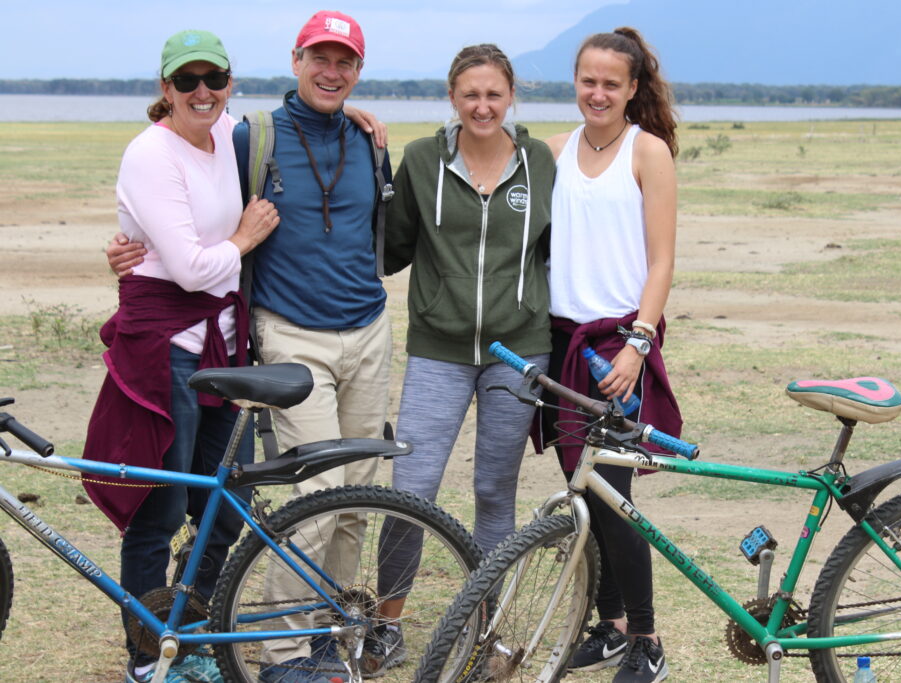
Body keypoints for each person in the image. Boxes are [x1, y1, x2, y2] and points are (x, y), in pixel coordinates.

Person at [107, 11, 392, 683]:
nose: (331, 71)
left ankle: (312, 634)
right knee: (292, 500)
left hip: (357, 334)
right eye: (318, 58)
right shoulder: (247, 136)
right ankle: (274, 656)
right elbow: (171, 226)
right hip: (277, 337)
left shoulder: (368, 139)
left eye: (344, 61)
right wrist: (123, 248)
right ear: (295, 60)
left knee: (337, 499)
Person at [82, 29, 280, 683]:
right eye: (186, 81)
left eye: (213, 79)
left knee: (225, 507)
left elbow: (301, 109)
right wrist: (246, 238)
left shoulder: (227, 134)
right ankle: (148, 656)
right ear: (165, 88)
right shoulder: (150, 155)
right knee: (159, 508)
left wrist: (365, 116)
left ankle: (190, 628)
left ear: (229, 84)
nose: (202, 92)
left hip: (220, 346)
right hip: (164, 350)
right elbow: (195, 270)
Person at [372, 43, 555, 675]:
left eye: (494, 94)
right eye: (470, 94)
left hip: (518, 349)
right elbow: (390, 248)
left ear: (511, 98)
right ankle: (385, 625)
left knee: (493, 489)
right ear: (453, 97)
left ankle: (489, 624)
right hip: (438, 349)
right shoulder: (423, 159)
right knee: (412, 488)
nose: (483, 105)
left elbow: (558, 251)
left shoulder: (539, 162)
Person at [541, 27, 682, 683]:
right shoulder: (554, 150)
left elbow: (661, 263)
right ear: (576, 83)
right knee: (582, 491)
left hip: (621, 343)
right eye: (587, 81)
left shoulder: (647, 151)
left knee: (615, 496)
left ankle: (646, 637)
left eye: (610, 83)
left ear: (631, 89)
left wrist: (639, 342)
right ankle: (610, 623)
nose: (596, 93)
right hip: (565, 344)